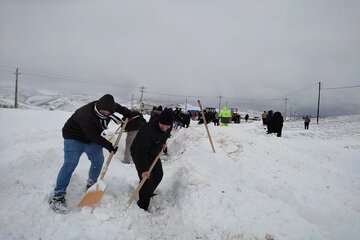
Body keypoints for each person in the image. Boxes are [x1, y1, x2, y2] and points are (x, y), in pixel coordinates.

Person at [48, 94, 132, 212]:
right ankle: (58, 196)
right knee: (70, 164)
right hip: (73, 137)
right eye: (104, 111)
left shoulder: (108, 107)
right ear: (98, 106)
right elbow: (93, 135)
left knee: (98, 161)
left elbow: (120, 109)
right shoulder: (85, 114)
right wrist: (109, 146)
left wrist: (129, 113)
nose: (106, 114)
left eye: (109, 112)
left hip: (91, 138)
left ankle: (91, 185)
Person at [130, 109, 173, 211]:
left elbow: (164, 136)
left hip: (153, 152)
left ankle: (147, 192)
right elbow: (140, 152)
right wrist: (144, 169)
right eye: (163, 125)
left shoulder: (168, 127)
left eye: (168, 126)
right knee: (146, 180)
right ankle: (142, 205)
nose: (165, 128)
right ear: (159, 121)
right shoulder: (147, 130)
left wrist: (163, 144)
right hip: (139, 153)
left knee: (158, 175)